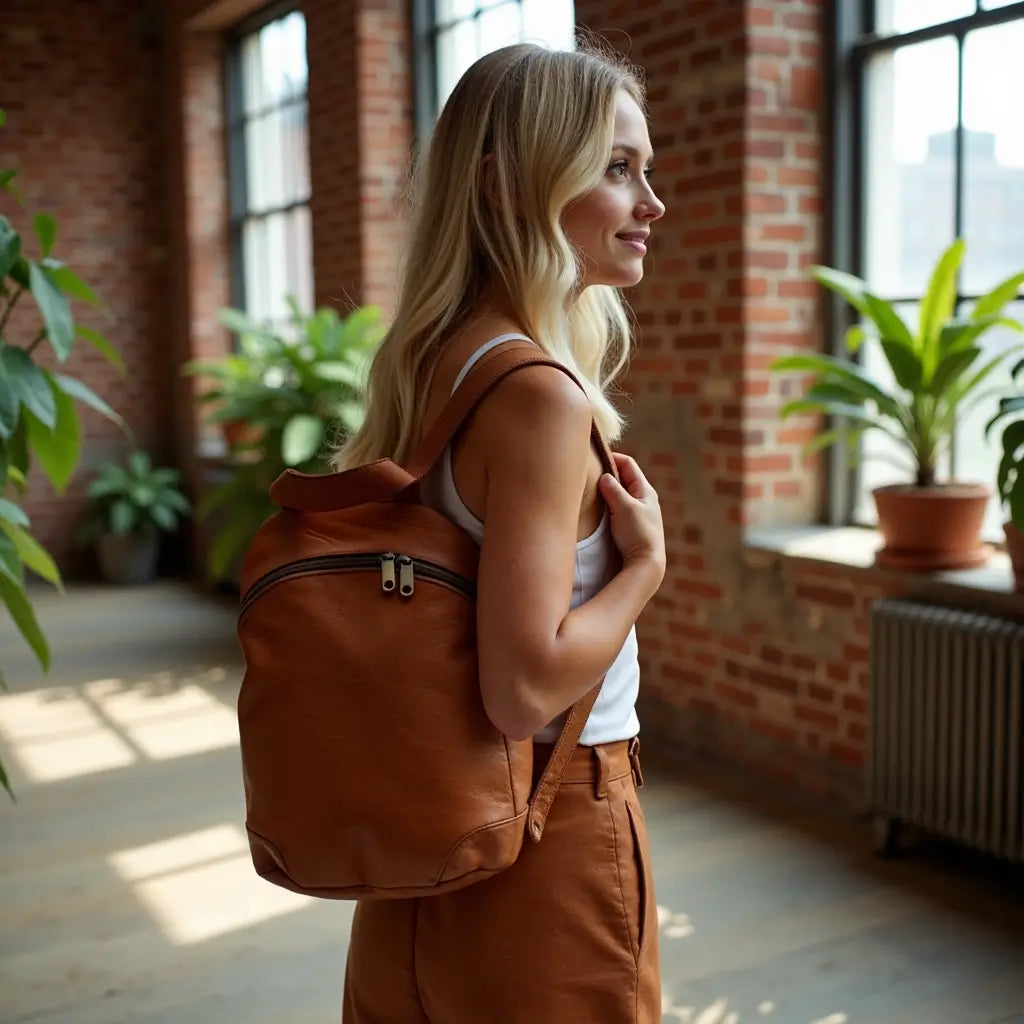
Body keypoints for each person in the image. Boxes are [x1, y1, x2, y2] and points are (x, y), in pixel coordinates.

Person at [332, 39, 667, 1023]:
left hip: (418, 834)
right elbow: (522, 687)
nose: (651, 202)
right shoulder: (538, 396)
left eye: (647, 168)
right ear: (506, 186)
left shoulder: (434, 362)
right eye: (616, 168)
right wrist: (641, 568)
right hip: (548, 830)